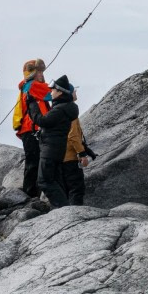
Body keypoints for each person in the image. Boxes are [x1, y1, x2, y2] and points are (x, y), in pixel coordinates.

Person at [29, 75, 79, 208]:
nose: (51, 92)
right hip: (57, 150)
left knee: (44, 180)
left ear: (60, 92)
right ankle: (62, 207)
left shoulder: (60, 109)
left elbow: (42, 121)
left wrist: (32, 104)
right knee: (55, 180)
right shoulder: (65, 108)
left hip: (50, 149)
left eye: (53, 90)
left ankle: (63, 208)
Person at [14, 59, 50, 198]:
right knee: (34, 162)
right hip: (31, 130)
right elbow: (50, 93)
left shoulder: (29, 86)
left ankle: (31, 193)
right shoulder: (33, 86)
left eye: (41, 71)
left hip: (30, 130)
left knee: (34, 161)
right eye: (38, 71)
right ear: (32, 73)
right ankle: (30, 194)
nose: (41, 74)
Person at [61, 108, 96, 206]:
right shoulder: (70, 112)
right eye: (73, 91)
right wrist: (82, 154)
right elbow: (73, 136)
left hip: (60, 158)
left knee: (65, 191)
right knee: (76, 189)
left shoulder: (56, 112)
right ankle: (75, 216)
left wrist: (88, 151)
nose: (75, 92)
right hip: (70, 158)